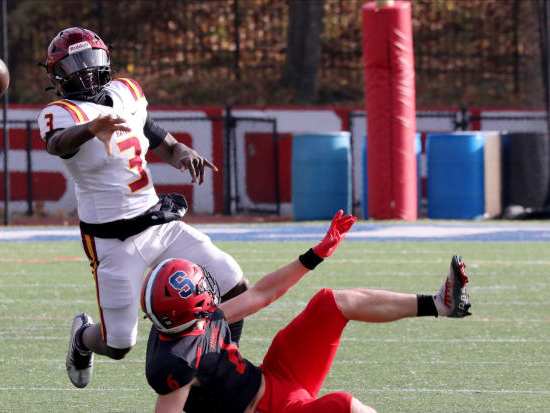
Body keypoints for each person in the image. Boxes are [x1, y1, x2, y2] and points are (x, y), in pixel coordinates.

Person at [36, 27, 249, 389]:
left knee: (234, 284)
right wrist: (91, 128)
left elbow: (151, 132)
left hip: (157, 221)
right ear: (59, 76)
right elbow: (58, 144)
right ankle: (82, 338)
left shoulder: (125, 91)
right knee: (119, 344)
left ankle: (216, 367)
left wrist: (179, 150)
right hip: (111, 240)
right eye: (75, 65)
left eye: (90, 61)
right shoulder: (62, 113)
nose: (86, 71)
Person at [141, 211, 472, 413]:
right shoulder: (176, 368)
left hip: (274, 377)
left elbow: (262, 293)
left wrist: (313, 255)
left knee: (331, 303)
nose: (210, 294)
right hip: (271, 410)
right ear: (191, 310)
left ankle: (441, 305)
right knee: (346, 407)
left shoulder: (180, 320)